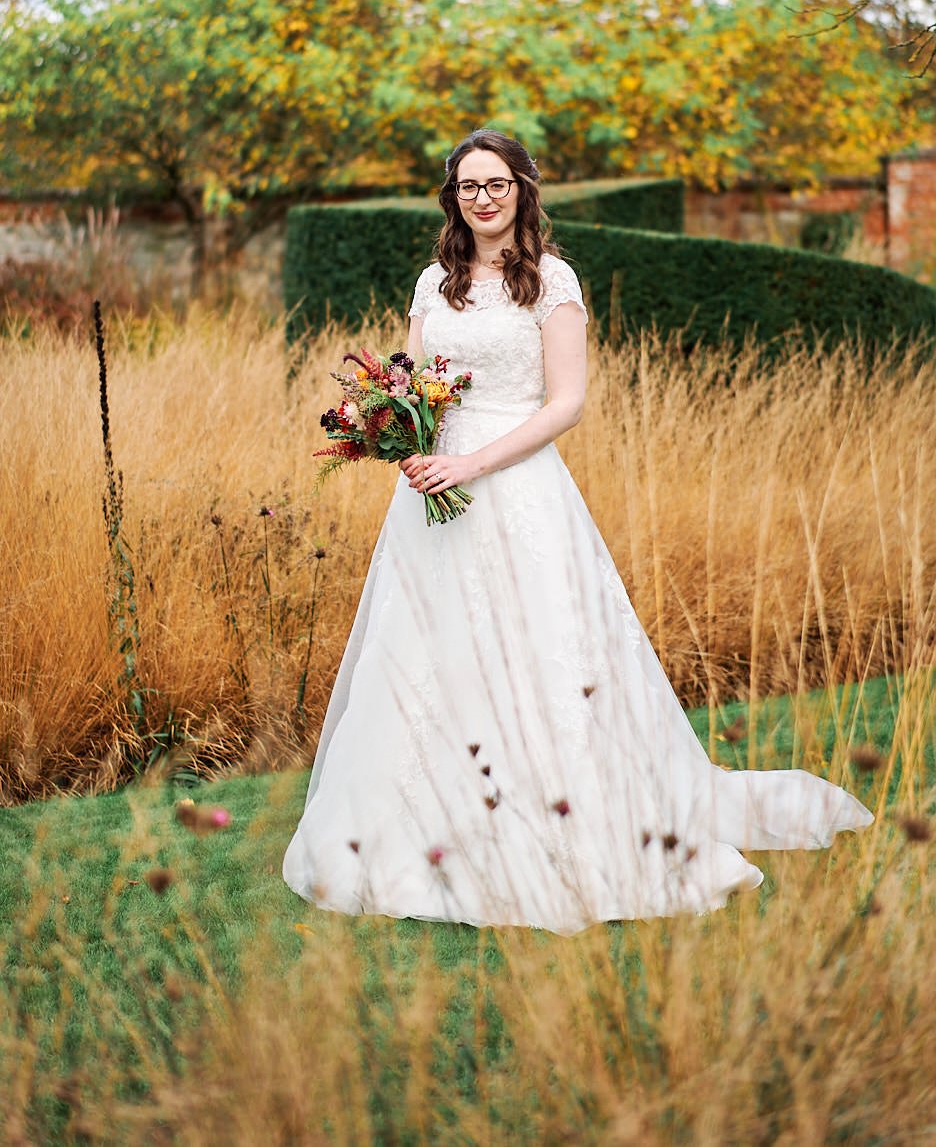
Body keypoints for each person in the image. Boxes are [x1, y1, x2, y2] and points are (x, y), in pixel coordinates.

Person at [282, 128, 875, 934]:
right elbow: (408, 382)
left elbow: (566, 404)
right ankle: (411, 825)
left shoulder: (550, 281)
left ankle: (559, 822)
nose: (483, 198)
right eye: (468, 186)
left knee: (533, 648)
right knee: (427, 647)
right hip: (433, 489)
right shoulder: (432, 283)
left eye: (497, 184)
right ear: (453, 197)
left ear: (522, 190)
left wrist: (473, 463)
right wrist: (407, 441)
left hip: (516, 486)